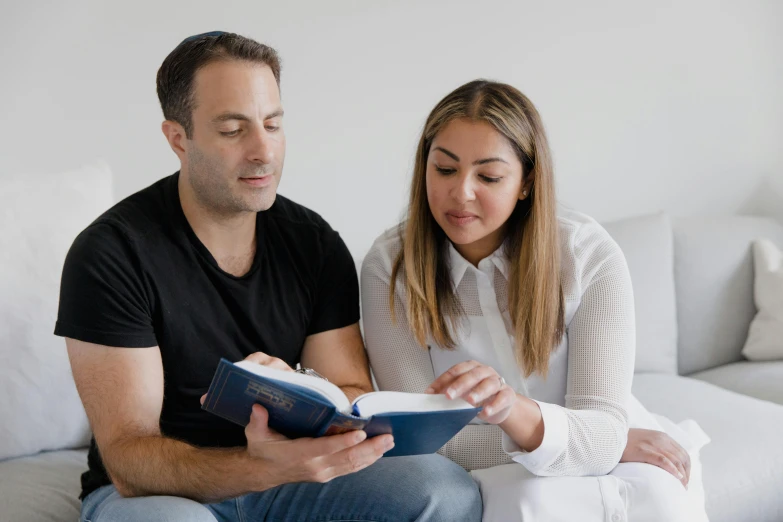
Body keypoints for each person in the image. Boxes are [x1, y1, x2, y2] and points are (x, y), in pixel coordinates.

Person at [56, 31, 482, 522]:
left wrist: (299, 390)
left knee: (444, 491)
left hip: (290, 475)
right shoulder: (112, 252)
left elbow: (347, 390)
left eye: (273, 125)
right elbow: (131, 460)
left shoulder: (313, 242)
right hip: (160, 495)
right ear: (179, 138)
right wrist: (258, 467)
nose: (264, 151)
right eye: (234, 130)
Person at [361, 79, 710, 521]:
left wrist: (595, 439)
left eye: (488, 176)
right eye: (444, 169)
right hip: (505, 473)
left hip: (614, 448)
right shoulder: (390, 267)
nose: (461, 192)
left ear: (526, 182)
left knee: (660, 498)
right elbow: (415, 437)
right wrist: (578, 437)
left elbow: (603, 429)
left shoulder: (586, 256)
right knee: (532, 503)